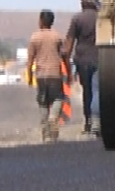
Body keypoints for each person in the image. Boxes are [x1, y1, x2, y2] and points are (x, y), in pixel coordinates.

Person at [26, 9, 69, 143]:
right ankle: (53, 118)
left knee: (43, 102)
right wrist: (68, 71)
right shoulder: (57, 37)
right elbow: (64, 56)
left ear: (40, 21)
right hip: (55, 74)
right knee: (58, 99)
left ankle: (46, 132)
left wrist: (29, 77)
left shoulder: (34, 38)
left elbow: (30, 60)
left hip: (41, 75)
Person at [63, 0, 100, 135]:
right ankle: (97, 121)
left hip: (82, 61)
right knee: (97, 90)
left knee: (88, 92)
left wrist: (65, 60)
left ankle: (89, 122)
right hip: (100, 58)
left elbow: (69, 43)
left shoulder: (77, 19)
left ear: (85, 2)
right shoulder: (101, 18)